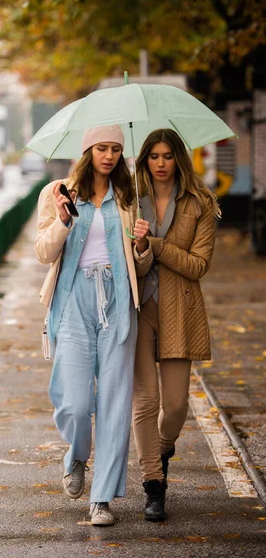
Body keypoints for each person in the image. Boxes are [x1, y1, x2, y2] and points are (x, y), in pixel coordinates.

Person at [34, 125, 152, 526]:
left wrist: (141, 247)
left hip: (119, 302)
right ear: (87, 151)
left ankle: (101, 499)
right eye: (102, 148)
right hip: (72, 301)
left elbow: (141, 265)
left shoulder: (129, 195)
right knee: (75, 402)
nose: (110, 156)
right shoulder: (57, 192)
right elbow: (42, 252)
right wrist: (63, 221)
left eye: (116, 149)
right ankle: (77, 455)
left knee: (116, 403)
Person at [132, 128, 220, 522]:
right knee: (146, 402)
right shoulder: (129, 200)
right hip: (136, 309)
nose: (161, 163)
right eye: (154, 156)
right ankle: (154, 484)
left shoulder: (199, 204)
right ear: (145, 160)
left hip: (178, 310)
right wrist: (138, 248)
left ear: (178, 158)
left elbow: (198, 266)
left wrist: (157, 244)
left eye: (168, 155)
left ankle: (163, 447)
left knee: (177, 404)